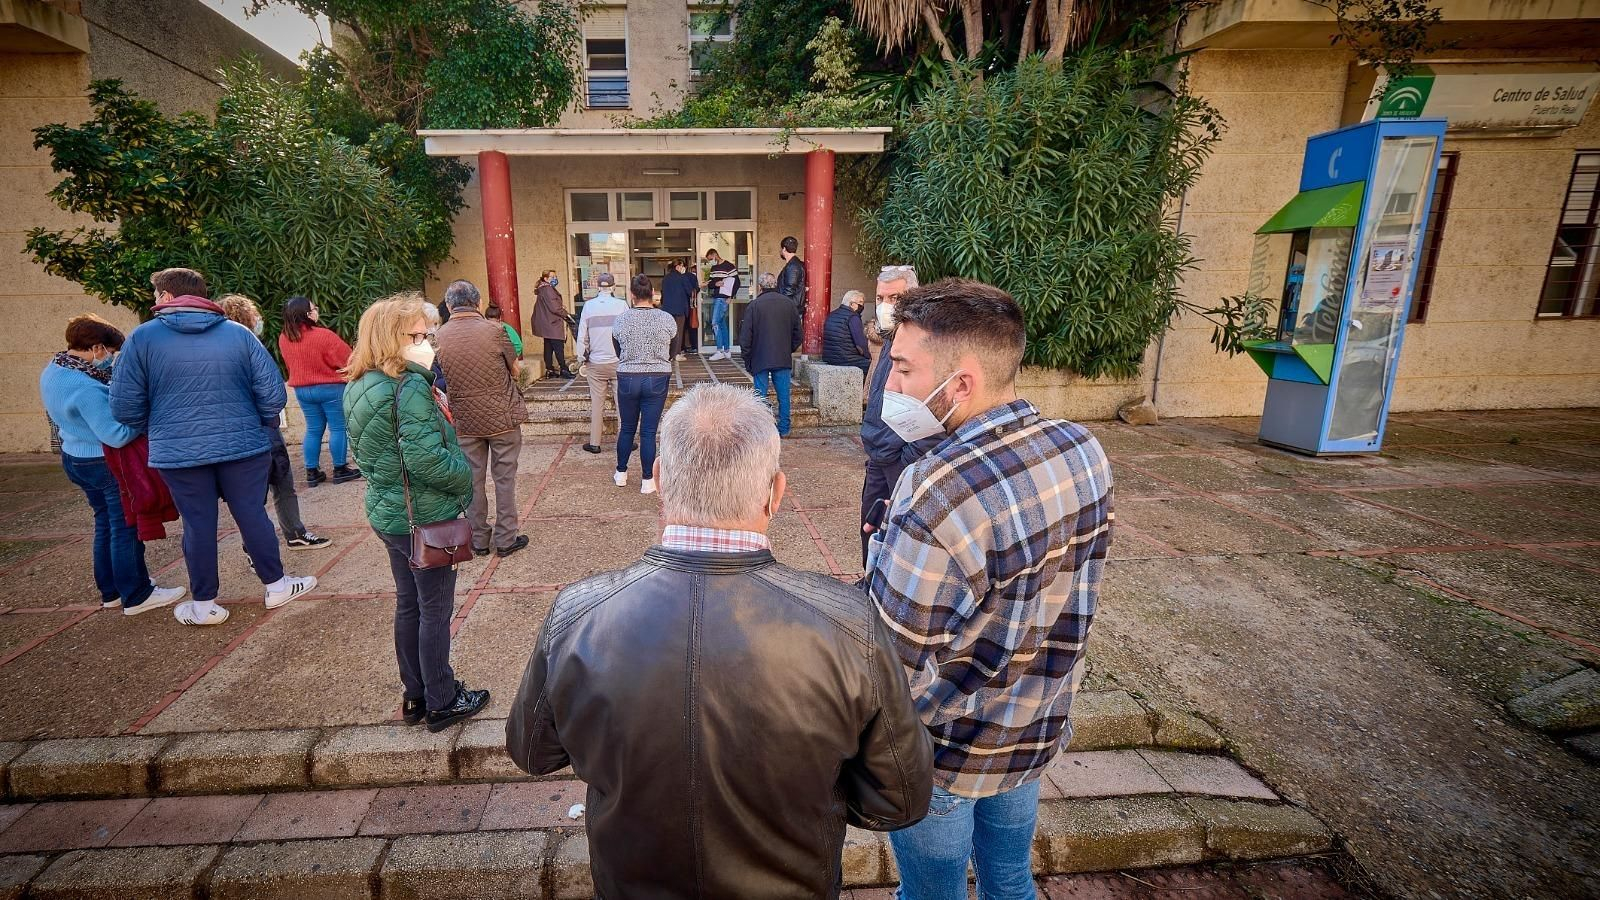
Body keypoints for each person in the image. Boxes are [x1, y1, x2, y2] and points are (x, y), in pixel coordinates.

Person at [507, 382, 933, 898]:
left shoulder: (578, 615)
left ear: (660, 479)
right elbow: (899, 799)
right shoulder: (849, 624)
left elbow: (533, 752)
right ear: (776, 492)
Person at [865, 279, 1113, 900]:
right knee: (1011, 881)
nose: (890, 387)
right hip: (1034, 729)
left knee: (932, 893)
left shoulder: (936, 491)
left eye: (901, 368)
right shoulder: (1084, 450)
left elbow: (888, 660)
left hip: (946, 753)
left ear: (962, 384)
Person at [111, 268, 318, 627]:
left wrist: (163, 425)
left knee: (198, 524)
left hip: (179, 452)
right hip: (244, 446)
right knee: (253, 515)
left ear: (167, 297)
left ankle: (204, 603)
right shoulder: (238, 335)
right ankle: (277, 584)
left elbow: (124, 408)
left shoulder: (142, 339)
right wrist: (249, 420)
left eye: (156, 294)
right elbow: (272, 395)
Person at [344, 293, 490, 732]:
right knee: (433, 609)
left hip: (390, 512)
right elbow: (426, 461)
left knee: (409, 604)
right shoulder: (407, 387)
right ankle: (442, 699)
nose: (428, 342)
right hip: (424, 516)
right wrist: (466, 475)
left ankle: (417, 694)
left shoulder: (360, 382)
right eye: (418, 335)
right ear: (393, 338)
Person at [40, 315, 187, 617]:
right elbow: (116, 435)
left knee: (105, 524)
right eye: (110, 351)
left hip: (75, 457)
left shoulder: (55, 370)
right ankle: (136, 594)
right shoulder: (85, 387)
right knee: (124, 527)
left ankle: (111, 591)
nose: (110, 359)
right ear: (96, 347)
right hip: (102, 461)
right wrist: (142, 419)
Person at [217, 295, 330, 551]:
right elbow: (269, 391)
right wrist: (269, 417)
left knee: (253, 493)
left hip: (240, 429)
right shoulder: (248, 346)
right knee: (279, 483)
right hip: (261, 427)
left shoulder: (219, 349)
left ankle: (261, 545)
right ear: (246, 317)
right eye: (255, 314)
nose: (260, 319)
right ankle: (285, 536)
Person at [434, 280, 530, 558]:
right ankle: (506, 538)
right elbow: (514, 369)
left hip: (464, 419)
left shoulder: (438, 337)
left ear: (449, 305)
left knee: (472, 481)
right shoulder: (496, 330)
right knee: (504, 479)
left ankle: (478, 540)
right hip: (502, 416)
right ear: (477, 303)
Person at [860, 265, 942, 566]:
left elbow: (935, 409)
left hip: (902, 456)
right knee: (870, 529)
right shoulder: (889, 338)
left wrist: (907, 457)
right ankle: (869, 582)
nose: (886, 305)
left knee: (902, 536)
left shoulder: (928, 341)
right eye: (881, 297)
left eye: (895, 297)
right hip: (877, 453)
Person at [278, 296, 361, 487]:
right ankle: (340, 469)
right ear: (307, 314)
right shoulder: (324, 335)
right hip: (331, 388)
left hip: (302, 390)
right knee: (338, 428)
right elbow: (347, 360)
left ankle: (312, 472)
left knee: (314, 429)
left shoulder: (285, 337)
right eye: (314, 308)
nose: (317, 311)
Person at [611, 273, 676, 494]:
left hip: (628, 375)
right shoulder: (666, 318)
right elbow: (673, 348)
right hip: (658, 376)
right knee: (648, 431)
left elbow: (617, 349)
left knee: (627, 428)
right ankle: (647, 479)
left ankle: (621, 472)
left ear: (632, 295)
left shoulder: (621, 319)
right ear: (652, 294)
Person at [739, 272, 802, 437]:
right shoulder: (789, 304)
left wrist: (747, 358)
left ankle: (763, 430)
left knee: (760, 396)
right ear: (775, 285)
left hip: (760, 358)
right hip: (782, 356)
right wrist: (788, 348)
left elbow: (746, 336)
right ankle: (784, 428)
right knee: (783, 395)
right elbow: (798, 334)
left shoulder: (754, 305)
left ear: (760, 287)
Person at [576, 272, 626, 455]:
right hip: (618, 362)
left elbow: (582, 337)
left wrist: (582, 358)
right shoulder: (622, 305)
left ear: (598, 287)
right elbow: (627, 334)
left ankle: (595, 443)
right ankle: (624, 441)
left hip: (595, 364)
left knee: (597, 404)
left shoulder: (589, 307)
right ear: (613, 287)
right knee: (622, 403)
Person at [532, 270, 575, 379]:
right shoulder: (547, 289)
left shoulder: (543, 289)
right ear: (546, 279)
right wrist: (566, 314)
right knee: (558, 346)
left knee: (548, 346)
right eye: (552, 277)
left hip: (547, 323)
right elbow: (554, 307)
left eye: (555, 276)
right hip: (552, 323)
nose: (555, 278)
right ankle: (563, 369)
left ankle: (550, 370)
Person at [822, 289, 872, 376]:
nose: (862, 305)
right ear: (851, 304)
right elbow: (860, 344)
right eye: (860, 302)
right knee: (875, 366)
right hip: (846, 359)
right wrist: (869, 356)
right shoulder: (853, 317)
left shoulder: (832, 315)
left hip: (829, 358)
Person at [659, 258, 699, 361]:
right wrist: (698, 288)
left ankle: (667, 354)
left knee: (668, 332)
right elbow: (691, 292)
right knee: (678, 332)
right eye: (682, 266)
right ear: (678, 266)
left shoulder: (666, 278)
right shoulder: (682, 277)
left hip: (667, 309)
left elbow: (663, 293)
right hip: (680, 309)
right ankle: (676, 354)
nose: (684, 268)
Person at [703, 249, 739, 361]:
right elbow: (710, 284)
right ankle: (727, 350)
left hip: (723, 299)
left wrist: (731, 297)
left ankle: (719, 351)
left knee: (714, 323)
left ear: (715, 255)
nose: (710, 262)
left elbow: (737, 282)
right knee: (722, 324)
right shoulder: (713, 269)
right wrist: (715, 283)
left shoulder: (729, 266)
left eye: (710, 259)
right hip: (717, 297)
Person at [777, 234, 807, 318]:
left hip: (789, 311)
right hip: (792, 309)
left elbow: (789, 291)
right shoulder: (795, 264)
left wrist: (781, 309)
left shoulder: (793, 266)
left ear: (784, 249)